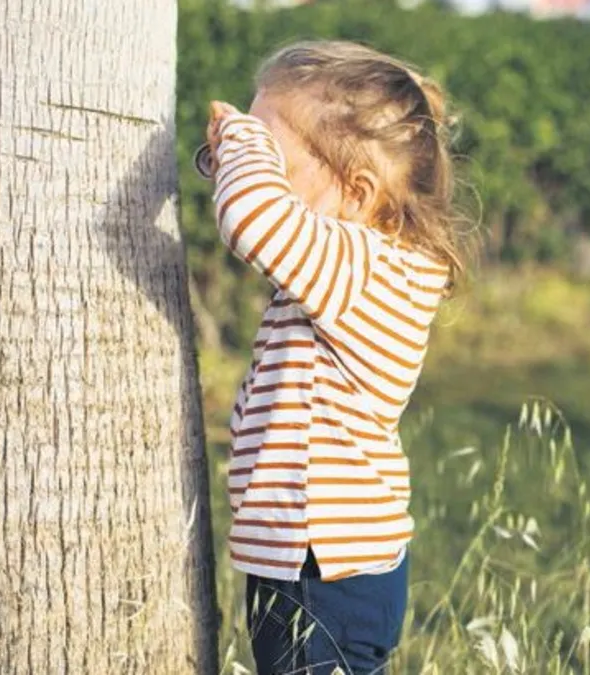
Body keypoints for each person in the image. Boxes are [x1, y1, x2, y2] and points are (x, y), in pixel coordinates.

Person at [200, 41, 464, 674]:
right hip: (312, 561)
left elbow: (251, 216)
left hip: (325, 567)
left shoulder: (360, 263)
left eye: (271, 155)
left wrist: (238, 138)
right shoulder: (356, 261)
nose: (247, 163)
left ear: (356, 192)